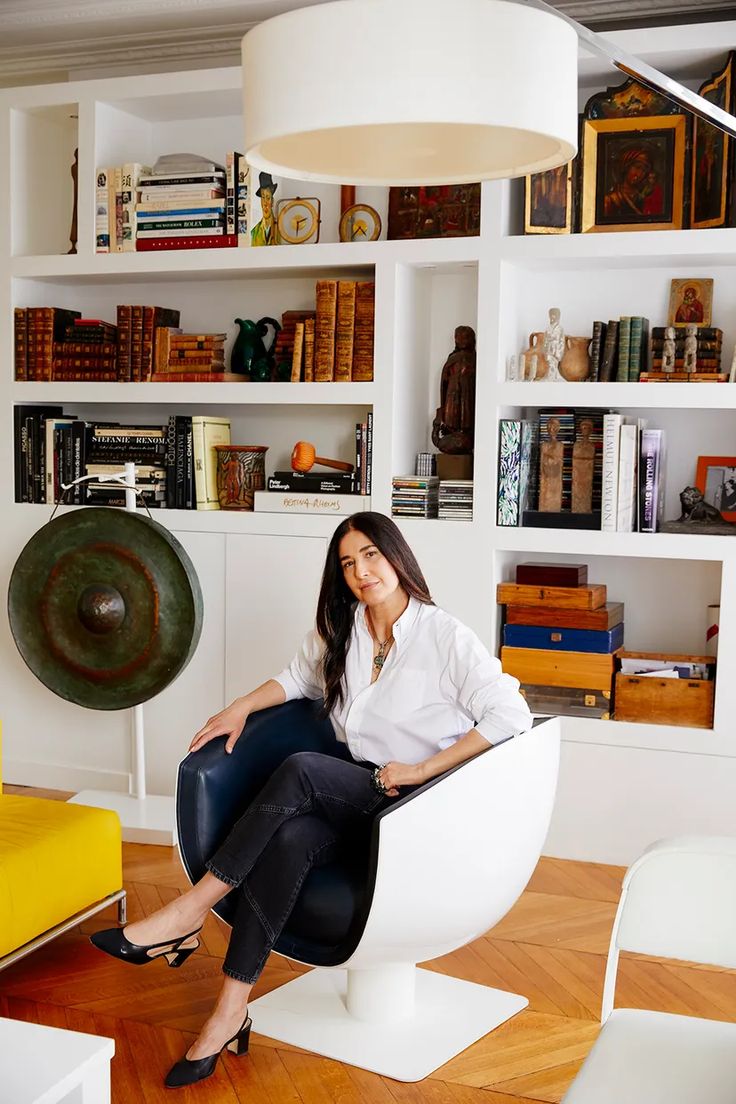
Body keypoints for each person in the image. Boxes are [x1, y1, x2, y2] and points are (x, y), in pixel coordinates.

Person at [90, 512, 532, 1088]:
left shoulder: (444, 637)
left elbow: (510, 714)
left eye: (371, 555)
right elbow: (297, 678)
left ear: (396, 556)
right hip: (360, 791)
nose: (361, 572)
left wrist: (422, 768)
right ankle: (229, 1009)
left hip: (416, 806)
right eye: (348, 563)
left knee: (300, 769)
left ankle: (189, 910)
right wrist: (242, 707)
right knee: (291, 840)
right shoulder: (344, 629)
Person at [250, 171, 280, 247]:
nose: (265, 203)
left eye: (268, 198)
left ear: (272, 202)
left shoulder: (280, 228)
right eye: (263, 198)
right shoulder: (254, 232)